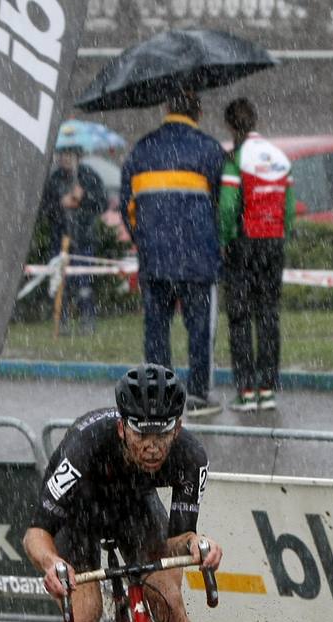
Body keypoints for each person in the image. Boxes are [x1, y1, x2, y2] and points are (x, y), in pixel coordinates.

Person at [22, 363, 224, 622]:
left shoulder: (191, 456)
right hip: (79, 519)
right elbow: (36, 533)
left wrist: (200, 545)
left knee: (168, 599)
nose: (152, 446)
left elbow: (179, 538)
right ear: (121, 428)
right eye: (141, 435)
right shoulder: (83, 447)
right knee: (83, 620)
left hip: (134, 511)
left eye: (162, 434)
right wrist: (52, 562)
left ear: (178, 427)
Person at [119, 90, 225, 418]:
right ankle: (198, 393)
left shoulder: (141, 150)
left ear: (166, 107)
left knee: (156, 330)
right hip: (198, 258)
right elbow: (224, 205)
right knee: (200, 329)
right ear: (199, 113)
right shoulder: (210, 150)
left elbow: (128, 206)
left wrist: (146, 239)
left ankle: (158, 395)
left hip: (154, 258)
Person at [219, 98, 294, 413]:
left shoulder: (236, 158)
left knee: (239, 318)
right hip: (273, 243)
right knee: (268, 315)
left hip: (244, 243)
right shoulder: (278, 157)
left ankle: (246, 391)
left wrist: (226, 237)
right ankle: (267, 388)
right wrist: (280, 233)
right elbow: (288, 208)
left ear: (230, 126)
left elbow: (227, 206)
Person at [41, 124, 107, 335]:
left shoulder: (89, 176)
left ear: (77, 155)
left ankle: (87, 319)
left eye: (69, 154)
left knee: (84, 281)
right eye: (62, 154)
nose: (65, 158)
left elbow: (102, 203)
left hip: (84, 237)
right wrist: (61, 203)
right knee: (61, 282)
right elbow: (44, 208)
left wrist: (84, 197)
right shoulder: (53, 179)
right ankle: (62, 320)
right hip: (60, 238)